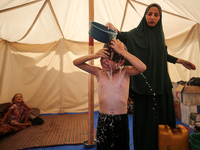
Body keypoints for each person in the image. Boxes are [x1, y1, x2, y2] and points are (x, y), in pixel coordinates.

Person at [106, 3, 196, 150]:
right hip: (144, 87)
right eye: (150, 14)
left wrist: (180, 61)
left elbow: (163, 54)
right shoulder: (136, 34)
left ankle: (165, 144)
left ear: (159, 17)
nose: (152, 17)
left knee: (163, 122)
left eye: (156, 15)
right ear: (145, 15)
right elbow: (122, 36)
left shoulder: (160, 35)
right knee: (146, 122)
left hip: (161, 83)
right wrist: (113, 29)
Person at [73, 39, 146, 150]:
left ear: (121, 62)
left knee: (121, 146)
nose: (105, 62)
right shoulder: (99, 72)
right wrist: (95, 55)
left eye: (110, 59)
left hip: (121, 118)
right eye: (103, 58)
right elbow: (76, 62)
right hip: (103, 119)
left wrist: (122, 51)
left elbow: (142, 67)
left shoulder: (125, 72)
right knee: (103, 147)